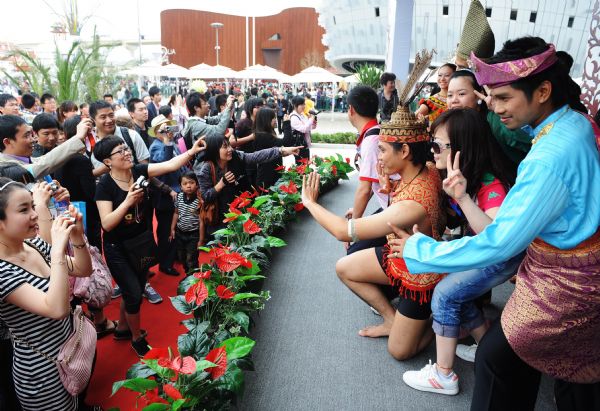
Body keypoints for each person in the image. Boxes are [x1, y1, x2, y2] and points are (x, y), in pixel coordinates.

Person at [390, 37, 600, 409]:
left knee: (496, 360)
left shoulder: (549, 156)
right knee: (571, 377)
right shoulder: (574, 123)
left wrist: (420, 249)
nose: (494, 107)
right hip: (574, 271)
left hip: (564, 284)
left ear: (543, 90)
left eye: (503, 97)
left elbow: (500, 242)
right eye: (490, 97)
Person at [301, 104, 446, 360]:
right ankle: (391, 319)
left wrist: (311, 203)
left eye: (381, 149)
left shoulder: (411, 206)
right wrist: (389, 187)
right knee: (345, 267)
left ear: (405, 151)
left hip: (420, 274)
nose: (377, 157)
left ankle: (438, 321)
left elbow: (343, 231)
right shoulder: (428, 169)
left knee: (399, 351)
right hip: (399, 255)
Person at [402, 108, 521, 395]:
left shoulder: (490, 185)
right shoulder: (467, 175)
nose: (433, 151)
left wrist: (464, 198)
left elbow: (495, 237)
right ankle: (484, 346)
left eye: (438, 145)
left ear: (462, 148)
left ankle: (443, 375)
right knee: (457, 289)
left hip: (502, 257)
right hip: (488, 253)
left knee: (446, 293)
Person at [94, 134, 207, 357]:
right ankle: (137, 338)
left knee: (136, 283)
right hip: (118, 248)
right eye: (120, 151)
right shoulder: (105, 186)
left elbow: (170, 164)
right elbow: (106, 224)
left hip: (142, 243)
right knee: (134, 292)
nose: (127, 153)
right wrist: (128, 201)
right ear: (108, 161)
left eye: (126, 148)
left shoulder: (138, 171)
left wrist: (192, 151)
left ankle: (124, 329)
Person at [0, 177, 92, 410]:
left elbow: (83, 269)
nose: (35, 214)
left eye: (33, 205)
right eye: (24, 209)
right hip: (42, 372)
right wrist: (58, 252)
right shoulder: (2, 270)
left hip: (70, 351)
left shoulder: (32, 244)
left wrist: (77, 237)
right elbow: (57, 309)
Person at [196, 134, 301, 241]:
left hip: (239, 212)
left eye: (229, 145)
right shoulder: (206, 169)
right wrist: (221, 183)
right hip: (219, 219)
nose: (230, 149)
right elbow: (206, 196)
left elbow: (257, 156)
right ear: (214, 150)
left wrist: (281, 150)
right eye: (225, 147)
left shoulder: (236, 156)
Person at [446, 70, 531, 165]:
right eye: (450, 95)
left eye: (461, 94)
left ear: (479, 95)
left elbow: (528, 142)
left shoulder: (494, 120)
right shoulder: (448, 125)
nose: (454, 100)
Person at [0, 114, 90, 180]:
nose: (33, 139)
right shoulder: (5, 169)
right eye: (26, 135)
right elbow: (44, 164)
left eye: (31, 134)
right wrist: (78, 137)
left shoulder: (30, 159)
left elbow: (45, 161)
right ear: (8, 142)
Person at [148, 115, 181, 277]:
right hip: (165, 194)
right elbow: (165, 164)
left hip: (178, 191)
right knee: (166, 230)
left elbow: (180, 165)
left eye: (170, 126)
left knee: (174, 228)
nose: (169, 130)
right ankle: (165, 264)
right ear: (158, 131)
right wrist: (168, 142)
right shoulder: (155, 146)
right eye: (165, 127)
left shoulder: (172, 143)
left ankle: (172, 257)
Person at [170, 171, 201, 273]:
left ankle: (193, 279)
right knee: (182, 257)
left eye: (191, 183)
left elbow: (201, 222)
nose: (188, 186)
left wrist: (201, 239)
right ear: (180, 186)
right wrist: (172, 229)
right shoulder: (178, 197)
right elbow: (176, 213)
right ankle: (188, 275)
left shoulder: (200, 200)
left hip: (194, 235)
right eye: (185, 184)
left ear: (197, 184)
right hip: (180, 233)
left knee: (191, 259)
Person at [254, 107, 285, 189]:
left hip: (272, 173)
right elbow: (286, 142)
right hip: (267, 177)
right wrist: (287, 123)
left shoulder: (269, 132)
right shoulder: (263, 136)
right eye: (273, 118)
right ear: (266, 120)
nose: (275, 120)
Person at [289, 96, 315, 163]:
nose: (304, 106)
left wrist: (313, 122)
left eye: (304, 104)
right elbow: (304, 129)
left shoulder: (302, 114)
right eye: (301, 104)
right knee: (301, 167)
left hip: (305, 145)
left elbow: (309, 128)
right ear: (295, 105)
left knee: (306, 166)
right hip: (299, 147)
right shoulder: (293, 117)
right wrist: (311, 119)